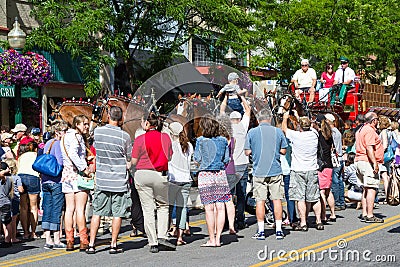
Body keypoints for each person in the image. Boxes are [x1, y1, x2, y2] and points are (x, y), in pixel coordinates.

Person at [86, 106, 132, 254]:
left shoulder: (97, 132)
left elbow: (94, 149)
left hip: (102, 179)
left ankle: (91, 244)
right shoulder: (125, 137)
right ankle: (113, 244)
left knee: (97, 212)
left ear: (108, 116)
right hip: (119, 180)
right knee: (117, 214)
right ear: (121, 119)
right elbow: (129, 159)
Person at [131, 112, 175, 253]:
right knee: (163, 206)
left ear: (148, 124)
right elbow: (169, 156)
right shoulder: (165, 137)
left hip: (142, 174)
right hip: (159, 174)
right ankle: (162, 235)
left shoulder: (140, 139)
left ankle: (153, 242)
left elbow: (134, 161)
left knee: (148, 209)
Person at [245, 109, 287, 240]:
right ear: (270, 119)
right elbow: (284, 150)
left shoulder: (252, 132)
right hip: (275, 169)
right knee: (277, 200)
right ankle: (279, 230)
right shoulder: (278, 131)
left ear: (258, 119)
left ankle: (261, 231)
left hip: (259, 171)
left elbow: (247, 152)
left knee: (260, 201)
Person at [194, 114, 230, 247]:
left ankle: (211, 239)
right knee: (220, 207)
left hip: (205, 175)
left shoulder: (200, 140)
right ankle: (219, 238)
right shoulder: (223, 140)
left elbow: (197, 158)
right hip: (220, 174)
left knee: (209, 208)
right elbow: (226, 159)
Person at [282, 115, 323, 231]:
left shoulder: (296, 136)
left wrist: (285, 118)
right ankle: (318, 221)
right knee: (314, 197)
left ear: (299, 126)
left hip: (298, 170)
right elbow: (313, 127)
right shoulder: (314, 134)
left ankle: (303, 222)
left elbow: (284, 129)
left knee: (300, 198)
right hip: (312, 169)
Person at [61, 114, 92, 251]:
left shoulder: (65, 136)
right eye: (84, 124)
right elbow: (74, 154)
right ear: (77, 124)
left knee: (69, 209)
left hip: (66, 173)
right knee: (80, 209)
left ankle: (69, 239)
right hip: (77, 174)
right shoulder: (76, 137)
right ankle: (83, 240)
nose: (86, 126)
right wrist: (84, 167)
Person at [221, 93, 251, 230]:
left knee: (229, 194)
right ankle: (240, 219)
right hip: (242, 164)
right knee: (241, 193)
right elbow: (248, 110)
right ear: (239, 118)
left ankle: (228, 220)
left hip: (229, 166)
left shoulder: (227, 128)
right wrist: (241, 97)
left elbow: (221, 111)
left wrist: (225, 98)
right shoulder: (243, 126)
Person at [41, 121, 68, 250]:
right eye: (64, 131)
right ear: (57, 132)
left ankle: (48, 239)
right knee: (57, 209)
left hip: (45, 180)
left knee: (47, 208)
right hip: (56, 180)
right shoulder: (58, 144)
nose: (65, 133)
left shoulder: (48, 143)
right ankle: (56, 239)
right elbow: (60, 161)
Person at [167, 122, 193, 246]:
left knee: (169, 207)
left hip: (173, 179)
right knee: (182, 208)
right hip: (186, 179)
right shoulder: (188, 145)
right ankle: (180, 236)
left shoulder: (170, 145)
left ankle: (167, 230)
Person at [355, 112, 384, 223]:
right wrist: (375, 163)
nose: (378, 121)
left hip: (359, 160)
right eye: (377, 119)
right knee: (371, 188)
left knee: (366, 189)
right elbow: (369, 148)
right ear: (373, 121)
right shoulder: (370, 130)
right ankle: (370, 215)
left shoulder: (361, 129)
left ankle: (365, 213)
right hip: (367, 162)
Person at [314, 115, 336, 224]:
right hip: (329, 164)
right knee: (328, 191)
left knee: (321, 191)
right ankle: (332, 213)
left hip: (321, 165)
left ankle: (323, 215)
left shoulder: (317, 135)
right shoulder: (329, 135)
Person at [17, 139, 40, 240]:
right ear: (35, 148)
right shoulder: (36, 155)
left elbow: (18, 168)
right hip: (33, 177)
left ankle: (25, 232)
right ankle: (33, 232)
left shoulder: (22, 156)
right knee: (33, 207)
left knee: (23, 207)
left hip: (21, 177)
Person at [324, 114, 345, 211]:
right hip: (340, 158)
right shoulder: (338, 131)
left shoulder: (331, 132)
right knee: (340, 181)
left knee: (335, 181)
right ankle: (341, 201)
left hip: (335, 159)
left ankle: (337, 202)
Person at [4, 158, 23, 244]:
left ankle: (6, 237)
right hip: (15, 199)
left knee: (6, 219)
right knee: (14, 219)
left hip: (5, 199)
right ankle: (13, 237)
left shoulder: (4, 178)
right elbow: (20, 190)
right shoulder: (16, 177)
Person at [0, 162, 13, 248]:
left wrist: (5, 171)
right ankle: (7, 239)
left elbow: (1, 174)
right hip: (6, 202)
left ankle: (8, 240)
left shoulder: (4, 178)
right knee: (6, 222)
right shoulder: (10, 178)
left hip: (3, 202)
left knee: (6, 222)